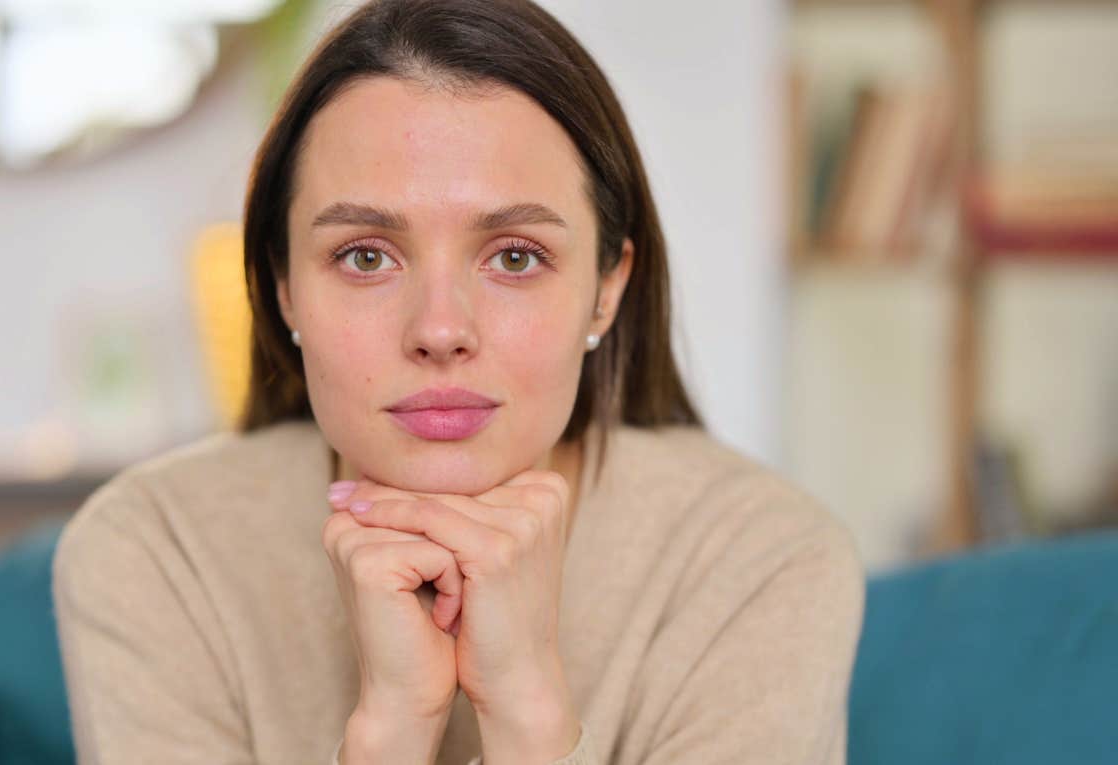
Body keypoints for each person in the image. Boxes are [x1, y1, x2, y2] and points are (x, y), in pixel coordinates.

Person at [51, 0, 866, 763]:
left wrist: (527, 709)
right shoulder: (157, 553)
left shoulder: (760, 561)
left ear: (607, 287)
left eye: (515, 256)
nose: (440, 330)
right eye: (365, 256)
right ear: (285, 286)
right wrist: (392, 726)